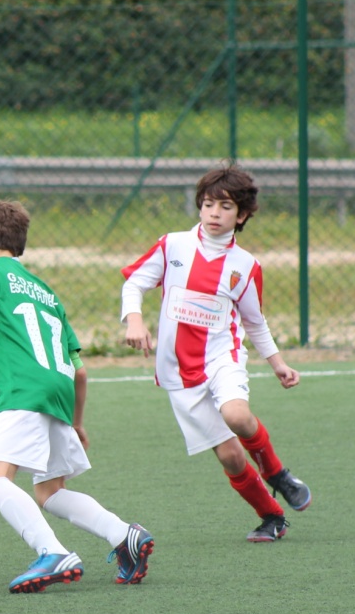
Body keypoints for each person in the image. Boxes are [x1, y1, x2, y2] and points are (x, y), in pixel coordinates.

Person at [0, 200, 155, 593]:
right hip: (59, 393)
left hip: (23, 389)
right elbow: (80, 370)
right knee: (50, 492)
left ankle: (52, 552)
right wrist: (77, 421)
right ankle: (125, 535)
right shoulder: (46, 292)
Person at [120, 163, 312, 543]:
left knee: (237, 416)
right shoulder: (172, 245)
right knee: (230, 457)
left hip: (222, 356)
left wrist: (278, 363)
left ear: (241, 216)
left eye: (225, 207)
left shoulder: (246, 266)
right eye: (208, 204)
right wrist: (135, 321)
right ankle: (272, 516)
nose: (214, 213)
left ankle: (277, 474)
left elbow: (254, 321)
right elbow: (134, 284)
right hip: (178, 371)